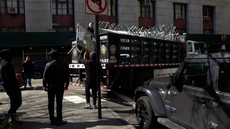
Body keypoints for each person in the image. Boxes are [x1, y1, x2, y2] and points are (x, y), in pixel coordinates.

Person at [43, 50, 70, 126]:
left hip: (51, 86)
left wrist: (44, 85)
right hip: (60, 85)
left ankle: (52, 118)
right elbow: (67, 75)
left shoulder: (48, 65)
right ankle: (59, 119)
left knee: (50, 102)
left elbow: (45, 76)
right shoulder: (64, 64)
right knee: (59, 102)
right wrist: (66, 84)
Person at [0, 49, 22, 124]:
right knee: (17, 101)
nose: (11, 57)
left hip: (7, 85)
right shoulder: (6, 64)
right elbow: (9, 78)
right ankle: (10, 114)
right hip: (10, 86)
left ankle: (12, 116)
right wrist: (15, 85)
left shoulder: (3, 63)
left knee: (14, 101)